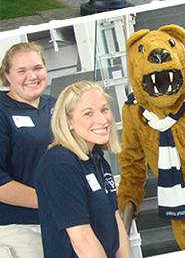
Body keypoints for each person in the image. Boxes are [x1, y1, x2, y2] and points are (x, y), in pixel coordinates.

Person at [33, 81, 129, 258]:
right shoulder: (59, 164)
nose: (101, 120)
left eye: (104, 109)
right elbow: (82, 239)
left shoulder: (97, 158)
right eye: (88, 113)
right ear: (68, 121)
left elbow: (115, 218)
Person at [0, 43, 56, 258]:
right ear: (7, 75)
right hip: (20, 228)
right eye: (21, 71)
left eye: (37, 68)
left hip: (62, 222)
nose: (31, 76)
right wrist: (54, 200)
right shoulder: (2, 111)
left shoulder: (56, 106)